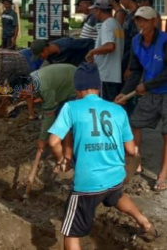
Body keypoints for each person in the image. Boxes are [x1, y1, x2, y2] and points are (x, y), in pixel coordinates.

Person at [48, 62, 158, 250]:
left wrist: (62, 160)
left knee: (70, 232)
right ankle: (145, 224)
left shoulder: (71, 108)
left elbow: (52, 142)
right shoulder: (118, 110)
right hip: (115, 175)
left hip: (87, 184)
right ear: (99, 88)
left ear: (77, 88)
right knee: (115, 195)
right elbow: (132, 151)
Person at [115, 6, 167, 191]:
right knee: (135, 123)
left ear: (154, 22)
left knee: (166, 134)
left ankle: (163, 174)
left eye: (144, 20)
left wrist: (147, 86)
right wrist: (125, 92)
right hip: (151, 91)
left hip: (163, 90)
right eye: (138, 20)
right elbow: (136, 71)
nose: (140, 24)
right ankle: (136, 162)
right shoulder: (136, 41)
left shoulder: (164, 41)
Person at [8, 64, 76, 152]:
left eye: (22, 93)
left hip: (75, 84)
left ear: (27, 86)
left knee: (63, 118)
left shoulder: (43, 87)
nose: (22, 97)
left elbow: (49, 114)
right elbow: (46, 106)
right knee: (55, 116)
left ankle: (69, 151)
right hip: (65, 83)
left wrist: (42, 139)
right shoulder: (33, 80)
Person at [85, 0, 124, 101]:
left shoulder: (107, 24)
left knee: (105, 106)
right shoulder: (117, 24)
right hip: (115, 74)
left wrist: (92, 52)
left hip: (106, 74)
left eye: (94, 10)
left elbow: (110, 46)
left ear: (98, 10)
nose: (94, 12)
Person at [112, 0, 139, 79]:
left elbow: (135, 43)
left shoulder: (137, 16)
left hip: (131, 60)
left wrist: (129, 67)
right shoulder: (128, 15)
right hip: (124, 56)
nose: (120, 1)